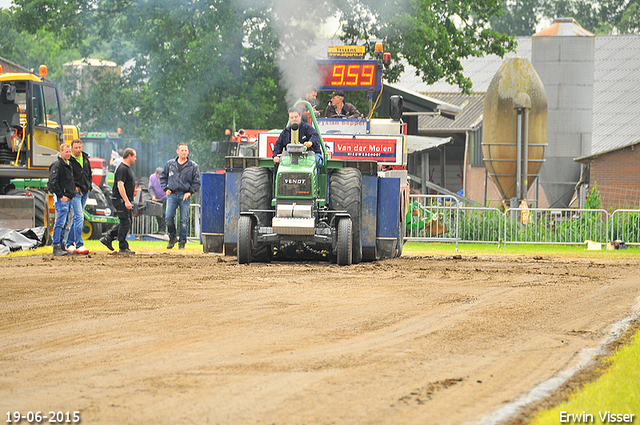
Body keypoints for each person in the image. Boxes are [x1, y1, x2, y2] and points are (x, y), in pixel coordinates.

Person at [160, 143, 201, 250]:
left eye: (185, 150)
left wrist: (190, 192)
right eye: (182, 150)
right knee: (168, 217)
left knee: (184, 220)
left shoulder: (193, 166)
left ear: (188, 152)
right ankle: (172, 237)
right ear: (177, 151)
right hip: (172, 194)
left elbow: (197, 182)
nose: (184, 152)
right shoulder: (170, 164)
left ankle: (182, 241)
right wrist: (166, 188)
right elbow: (163, 177)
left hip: (185, 195)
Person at [100, 148, 137, 254]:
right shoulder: (122, 168)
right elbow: (120, 185)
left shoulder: (126, 168)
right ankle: (122, 246)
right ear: (129, 156)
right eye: (134, 156)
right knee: (126, 222)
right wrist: (125, 200)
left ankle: (108, 238)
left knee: (127, 221)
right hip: (120, 200)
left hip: (125, 200)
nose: (135, 158)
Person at [65, 139, 92, 255]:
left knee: (77, 219)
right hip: (75, 193)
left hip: (85, 191)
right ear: (72, 148)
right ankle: (79, 244)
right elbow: (67, 177)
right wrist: (74, 187)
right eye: (75, 148)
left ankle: (69, 243)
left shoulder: (86, 159)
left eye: (79, 147)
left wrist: (89, 186)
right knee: (79, 217)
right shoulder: (69, 161)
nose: (78, 150)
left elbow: (89, 174)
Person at [48, 142, 75, 256]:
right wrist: (60, 195)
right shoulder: (57, 164)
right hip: (62, 199)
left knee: (66, 223)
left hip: (68, 198)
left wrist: (71, 193)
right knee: (60, 222)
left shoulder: (67, 164)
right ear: (61, 152)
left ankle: (62, 245)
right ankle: (56, 245)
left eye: (69, 152)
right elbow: (52, 182)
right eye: (66, 152)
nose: (68, 154)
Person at [148, 166, 167, 234]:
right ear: (156, 173)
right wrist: (153, 196)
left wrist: (166, 196)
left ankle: (163, 229)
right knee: (157, 213)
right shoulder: (152, 177)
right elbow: (151, 188)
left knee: (163, 213)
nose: (159, 176)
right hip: (156, 198)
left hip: (164, 197)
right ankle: (159, 229)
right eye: (158, 175)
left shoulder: (165, 177)